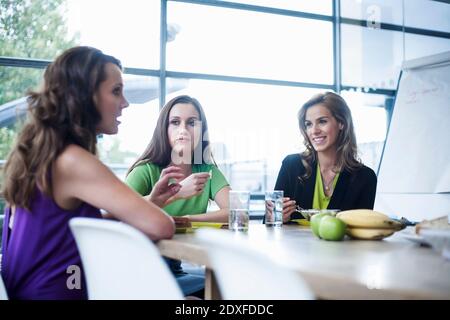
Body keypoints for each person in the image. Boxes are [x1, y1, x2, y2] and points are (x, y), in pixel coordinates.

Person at [0, 46, 180, 300]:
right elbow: (162, 226)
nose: (125, 103)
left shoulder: (40, 156)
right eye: (116, 91)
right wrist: (151, 212)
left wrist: (150, 202)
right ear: (83, 96)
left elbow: (79, 228)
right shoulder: (72, 160)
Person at [126, 95, 231, 296]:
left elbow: (236, 212)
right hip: (138, 272)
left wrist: (184, 220)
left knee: (226, 288)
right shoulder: (146, 171)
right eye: (175, 122)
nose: (183, 130)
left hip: (174, 271)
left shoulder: (207, 171)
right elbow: (120, 214)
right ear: (163, 130)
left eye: (192, 123)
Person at [274, 92, 377, 223]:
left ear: (341, 123)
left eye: (322, 121)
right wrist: (278, 217)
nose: (314, 131)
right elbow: (269, 223)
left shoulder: (365, 177)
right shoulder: (291, 166)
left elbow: (363, 230)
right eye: (308, 124)